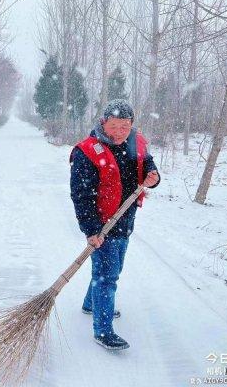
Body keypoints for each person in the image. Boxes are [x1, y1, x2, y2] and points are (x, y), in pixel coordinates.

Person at [70, 99, 160, 350]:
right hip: (102, 225)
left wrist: (153, 177)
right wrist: (91, 230)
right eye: (114, 126)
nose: (120, 131)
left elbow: (148, 163)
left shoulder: (136, 141)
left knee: (113, 268)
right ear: (103, 123)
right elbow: (81, 195)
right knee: (107, 276)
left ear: (131, 125)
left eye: (125, 126)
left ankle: (91, 303)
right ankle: (103, 330)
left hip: (126, 219)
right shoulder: (87, 151)